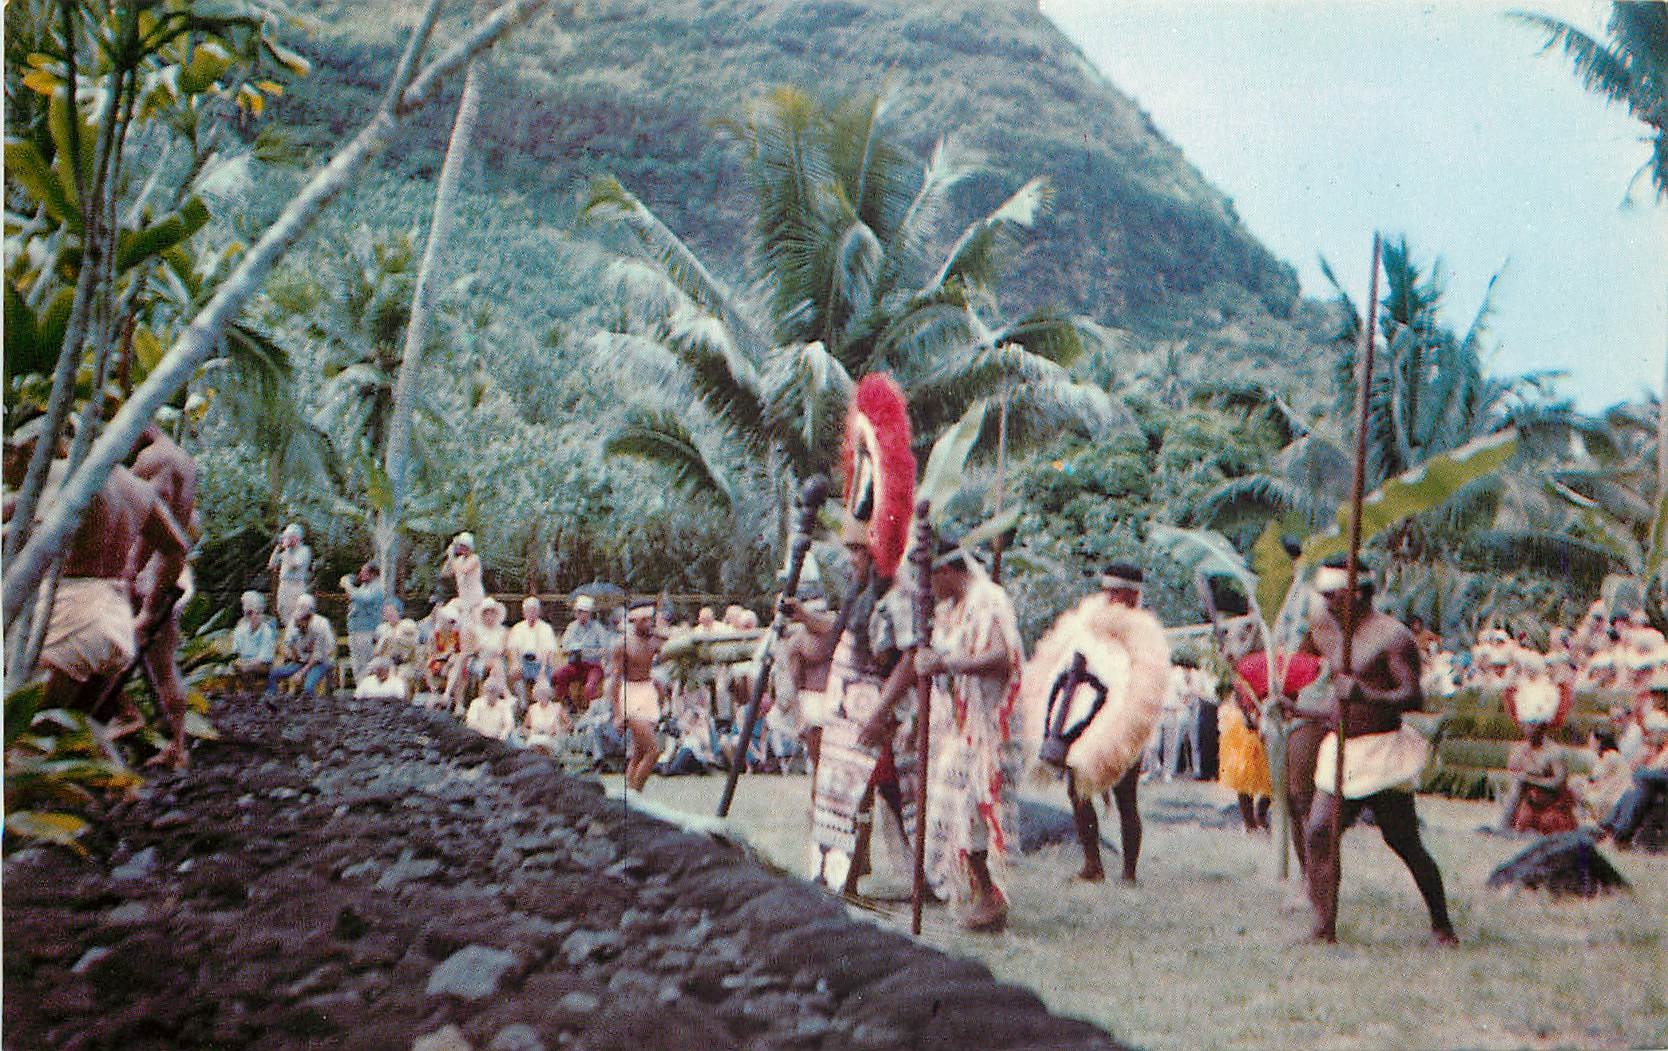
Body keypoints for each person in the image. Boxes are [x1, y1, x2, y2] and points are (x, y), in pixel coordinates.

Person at [1302, 563, 1455, 946]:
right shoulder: (1328, 627)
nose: (1325, 604)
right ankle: (1324, 928)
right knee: (1320, 830)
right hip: (1342, 749)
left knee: (1403, 841)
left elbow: (1412, 697)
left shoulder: (1393, 637)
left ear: (1355, 592)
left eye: (1331, 595)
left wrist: (1366, 694)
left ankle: (1442, 923)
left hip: (1382, 752)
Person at [3, 423, 187, 725]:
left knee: (23, 730)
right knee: (73, 727)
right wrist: (150, 610)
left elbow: (26, 521)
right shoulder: (137, 488)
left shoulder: (61, 474)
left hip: (70, 615)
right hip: (114, 622)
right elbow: (177, 548)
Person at [1026, 562, 1170, 888]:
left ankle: (1129, 872)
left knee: (1126, 799)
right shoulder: (1088, 625)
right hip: (1088, 720)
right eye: (1107, 591)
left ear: (1132, 594)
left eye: (1116, 592)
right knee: (1078, 792)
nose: (1110, 598)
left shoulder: (1143, 634)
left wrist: (1126, 725)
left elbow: (1146, 684)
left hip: (1125, 726)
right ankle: (1093, 864)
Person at [913, 540, 1023, 932]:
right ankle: (979, 892)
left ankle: (994, 897)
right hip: (960, 725)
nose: (928, 586)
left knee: (979, 806)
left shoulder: (987, 599)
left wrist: (947, 663)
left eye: (931, 577)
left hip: (991, 725)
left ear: (947, 571)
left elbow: (1000, 658)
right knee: (957, 809)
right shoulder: (948, 611)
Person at [1496, 675, 1578, 835]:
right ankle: (1504, 826)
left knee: (1548, 822)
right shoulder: (1519, 749)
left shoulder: (1554, 751)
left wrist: (1531, 779)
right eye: (1526, 724)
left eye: (1533, 725)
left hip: (1552, 804)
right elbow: (1513, 774)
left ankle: (1505, 826)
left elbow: (1559, 783)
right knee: (1523, 816)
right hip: (1530, 802)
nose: (1528, 729)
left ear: (1543, 727)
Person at [608, 602, 667, 792]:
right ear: (634, 621)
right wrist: (617, 714)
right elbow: (615, 680)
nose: (648, 623)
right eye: (644, 620)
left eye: (650, 619)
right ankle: (636, 793)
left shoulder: (655, 640)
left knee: (640, 752)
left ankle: (629, 796)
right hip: (630, 695)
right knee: (653, 750)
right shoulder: (622, 645)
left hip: (648, 692)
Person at [1597, 709, 1668, 849]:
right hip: (1656, 782)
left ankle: (1615, 829)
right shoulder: (1655, 750)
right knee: (1640, 787)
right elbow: (1633, 766)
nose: (1648, 737)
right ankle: (1616, 831)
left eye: (1652, 733)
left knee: (1641, 777)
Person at [265, 594, 337, 699]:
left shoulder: (321, 625)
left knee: (308, 687)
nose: (298, 624)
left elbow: (318, 655)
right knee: (273, 673)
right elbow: (287, 644)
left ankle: (313, 708)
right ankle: (272, 699)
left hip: (321, 661)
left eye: (302, 621)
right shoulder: (294, 622)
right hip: (301, 661)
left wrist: (301, 673)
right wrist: (293, 654)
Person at [450, 597, 509, 715]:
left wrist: (496, 651)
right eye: (486, 613)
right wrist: (481, 648)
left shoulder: (502, 631)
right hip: (479, 660)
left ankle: (493, 703)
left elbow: (503, 649)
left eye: (492, 612)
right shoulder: (475, 630)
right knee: (492, 664)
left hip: (497, 660)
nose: (489, 616)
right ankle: (507, 695)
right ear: (482, 614)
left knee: (496, 664)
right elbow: (472, 649)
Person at [553, 594, 611, 708]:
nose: (578, 614)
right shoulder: (571, 627)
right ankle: (568, 704)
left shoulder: (598, 628)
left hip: (592, 665)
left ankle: (591, 712)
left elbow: (606, 650)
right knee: (558, 675)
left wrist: (589, 652)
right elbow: (563, 648)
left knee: (590, 686)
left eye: (581, 611)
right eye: (577, 611)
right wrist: (571, 650)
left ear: (588, 613)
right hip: (574, 664)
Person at [507, 596, 559, 706]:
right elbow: (512, 649)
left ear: (539, 611)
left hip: (541, 663)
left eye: (534, 610)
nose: (531, 613)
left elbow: (548, 652)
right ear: (524, 612)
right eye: (528, 610)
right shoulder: (517, 628)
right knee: (514, 672)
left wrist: (542, 670)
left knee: (543, 678)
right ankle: (523, 705)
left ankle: (540, 707)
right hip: (524, 663)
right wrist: (515, 663)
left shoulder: (546, 628)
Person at [341, 561, 386, 683]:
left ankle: (369, 689)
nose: (360, 574)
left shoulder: (376, 588)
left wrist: (348, 586)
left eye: (364, 572)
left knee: (367, 664)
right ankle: (360, 690)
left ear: (372, 574)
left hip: (367, 632)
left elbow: (364, 599)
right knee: (357, 664)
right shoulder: (364, 586)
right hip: (355, 630)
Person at [230, 590, 278, 693]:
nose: (253, 616)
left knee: (247, 670)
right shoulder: (239, 630)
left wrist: (248, 665)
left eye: (257, 613)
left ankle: (251, 696)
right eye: (249, 613)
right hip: (243, 663)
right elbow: (235, 653)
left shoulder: (267, 631)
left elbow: (264, 658)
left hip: (261, 664)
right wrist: (239, 662)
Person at [268, 523, 311, 624]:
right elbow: (271, 564)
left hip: (296, 585)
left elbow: (294, 565)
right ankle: (290, 634)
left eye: (291, 537)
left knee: (297, 613)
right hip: (284, 585)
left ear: (297, 537)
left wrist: (286, 551)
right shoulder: (286, 551)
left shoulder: (304, 550)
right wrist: (278, 548)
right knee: (282, 611)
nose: (288, 539)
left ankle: (298, 635)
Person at [442, 532, 485, 619]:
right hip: (463, 597)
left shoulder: (474, 558)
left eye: (464, 545)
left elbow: (463, 570)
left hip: (474, 597)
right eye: (460, 545)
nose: (462, 548)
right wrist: (449, 559)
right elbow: (445, 574)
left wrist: (452, 557)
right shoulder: (459, 560)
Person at [465, 675, 518, 743]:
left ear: (499, 692)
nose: (491, 693)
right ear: (484, 691)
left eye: (494, 690)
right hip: (479, 737)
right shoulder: (476, 703)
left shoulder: (504, 706)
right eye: (489, 690)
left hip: (497, 739)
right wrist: (487, 732)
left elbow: (509, 723)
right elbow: (471, 722)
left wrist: (504, 733)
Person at [523, 681, 571, 755]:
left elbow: (570, 724)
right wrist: (529, 733)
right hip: (535, 738)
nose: (542, 696)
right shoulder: (532, 708)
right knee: (534, 746)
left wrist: (558, 729)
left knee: (545, 747)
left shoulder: (557, 707)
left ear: (549, 694)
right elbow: (524, 727)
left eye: (545, 693)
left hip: (552, 739)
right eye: (540, 693)